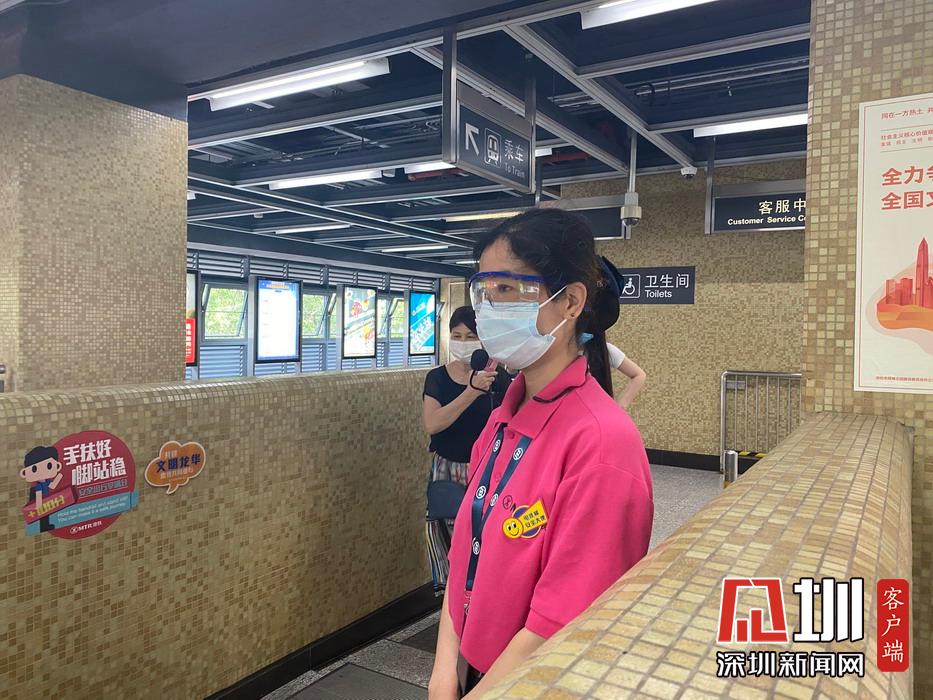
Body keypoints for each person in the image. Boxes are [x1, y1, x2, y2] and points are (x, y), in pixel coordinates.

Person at [428, 209, 654, 699]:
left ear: (570, 301)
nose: (490, 309)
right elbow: (466, 553)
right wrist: (446, 668)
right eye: (484, 291)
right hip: (475, 670)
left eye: (507, 289)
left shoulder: (601, 443)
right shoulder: (501, 420)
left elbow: (565, 616)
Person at [422, 306, 510, 596]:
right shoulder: (437, 378)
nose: (462, 342)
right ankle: (451, 605)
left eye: (470, 336)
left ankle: (480, 602)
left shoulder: (498, 378)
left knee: (485, 541)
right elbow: (433, 423)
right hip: (447, 470)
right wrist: (472, 391)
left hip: (487, 470)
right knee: (448, 543)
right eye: (456, 336)